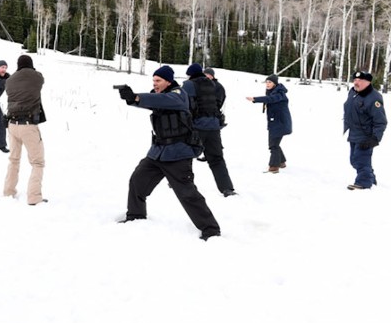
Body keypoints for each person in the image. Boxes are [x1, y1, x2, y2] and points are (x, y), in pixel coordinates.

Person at [116, 65, 221, 240]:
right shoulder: (160, 96)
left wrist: (136, 97)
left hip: (178, 154)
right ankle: (136, 215)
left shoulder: (179, 95)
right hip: (157, 153)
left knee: (188, 194)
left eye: (158, 81)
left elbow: (163, 101)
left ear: (168, 81)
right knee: (137, 181)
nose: (155, 84)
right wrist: (132, 100)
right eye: (153, 81)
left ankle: (211, 230)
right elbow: (153, 101)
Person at [182, 63, 236, 197]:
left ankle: (181, 183)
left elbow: (184, 104)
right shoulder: (213, 84)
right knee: (217, 159)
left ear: (191, 75)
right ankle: (227, 188)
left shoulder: (189, 85)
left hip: (197, 126)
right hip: (213, 126)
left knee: (185, 156)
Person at [3, 54, 47, 206]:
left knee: (13, 160)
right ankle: (34, 197)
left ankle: (8, 191)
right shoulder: (36, 77)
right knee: (37, 162)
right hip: (28, 125)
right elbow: (40, 80)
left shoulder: (9, 80)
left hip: (12, 125)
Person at [343, 71, 387, 190]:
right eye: (355, 80)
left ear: (368, 82)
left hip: (366, 136)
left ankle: (363, 182)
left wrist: (375, 138)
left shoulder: (374, 98)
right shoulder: (353, 92)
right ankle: (370, 178)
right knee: (354, 160)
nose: (356, 83)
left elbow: (381, 121)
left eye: (360, 81)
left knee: (360, 159)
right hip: (354, 132)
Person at [246, 74, 292, 173]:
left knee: (273, 145)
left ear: (275, 83)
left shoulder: (280, 94)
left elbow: (270, 99)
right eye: (266, 82)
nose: (267, 84)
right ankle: (281, 162)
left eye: (270, 82)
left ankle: (274, 166)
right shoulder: (272, 92)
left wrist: (255, 99)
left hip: (280, 123)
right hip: (275, 122)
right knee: (275, 144)